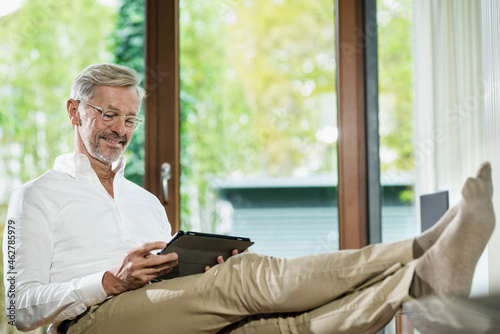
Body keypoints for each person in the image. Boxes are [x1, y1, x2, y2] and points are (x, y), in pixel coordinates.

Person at [2, 63, 495, 334]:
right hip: (91, 326)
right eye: (109, 115)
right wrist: (108, 282)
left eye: (130, 120)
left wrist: (199, 266)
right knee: (246, 277)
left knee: (284, 328)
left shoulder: (145, 201)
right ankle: (414, 250)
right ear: (74, 111)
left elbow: (172, 277)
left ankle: (418, 285)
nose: (121, 130)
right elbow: (21, 310)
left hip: (166, 312)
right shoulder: (38, 197)